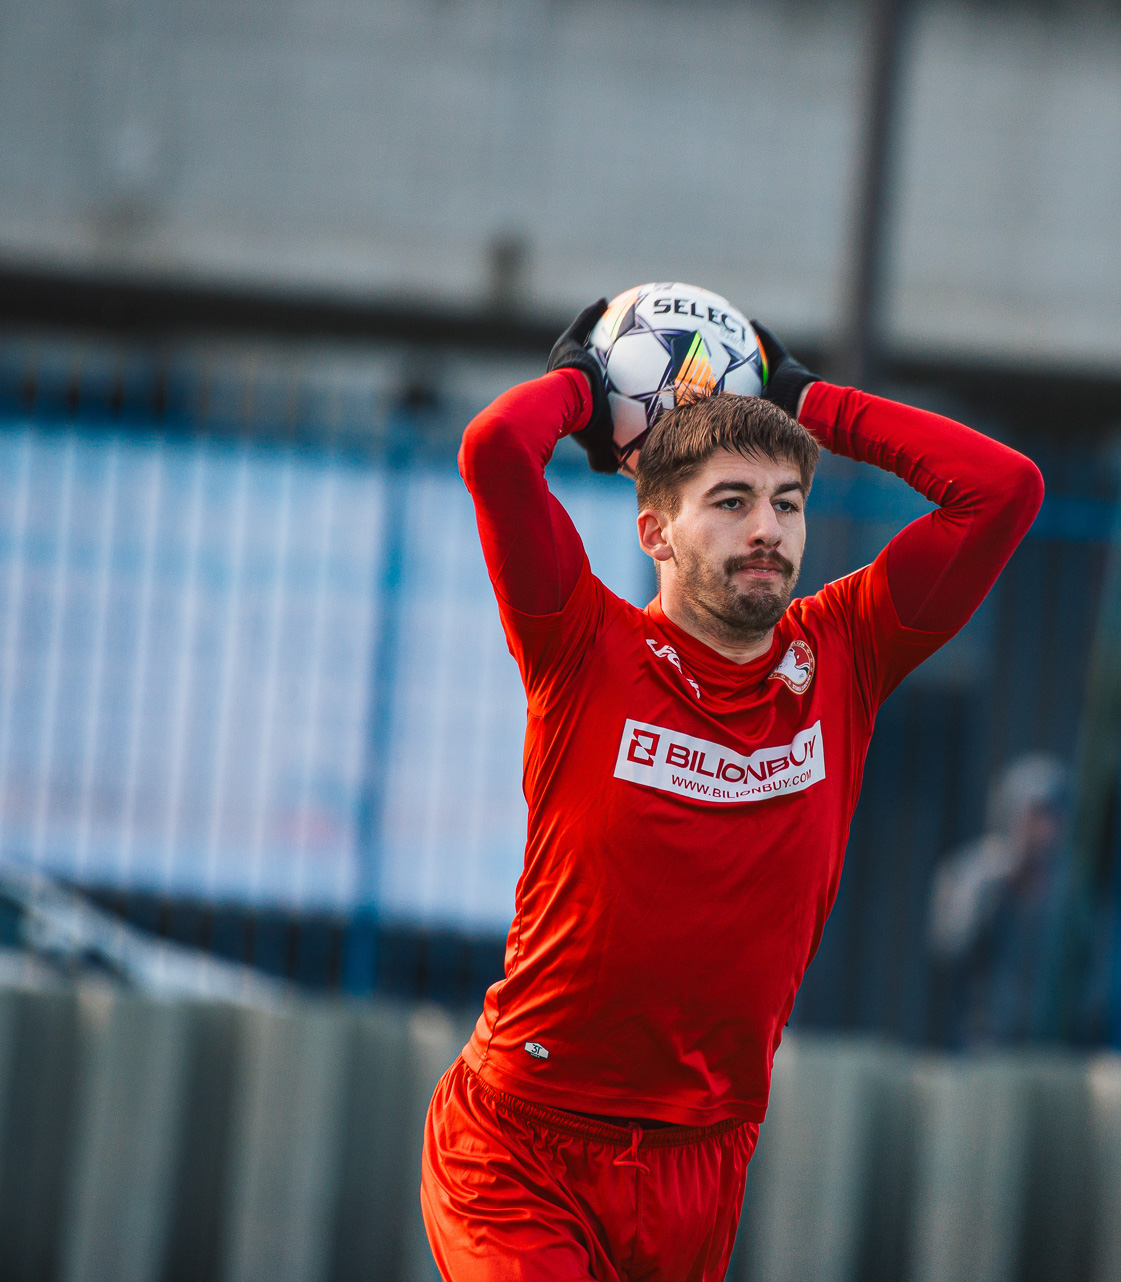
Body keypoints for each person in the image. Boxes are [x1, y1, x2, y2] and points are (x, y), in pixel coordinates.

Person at [420, 299, 1043, 1281]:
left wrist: (805, 398)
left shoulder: (847, 651)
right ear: (656, 532)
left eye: (788, 504)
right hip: (521, 1143)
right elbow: (496, 449)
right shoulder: (581, 646)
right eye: (730, 502)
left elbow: (1004, 489)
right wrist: (584, 385)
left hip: (702, 1161)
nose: (767, 531)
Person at [927, 753, 1072, 1046]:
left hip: (1046, 1046)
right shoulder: (974, 873)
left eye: (1053, 817)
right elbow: (947, 948)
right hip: (976, 1039)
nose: (1044, 830)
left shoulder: (1067, 888)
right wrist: (997, 891)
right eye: (1036, 814)